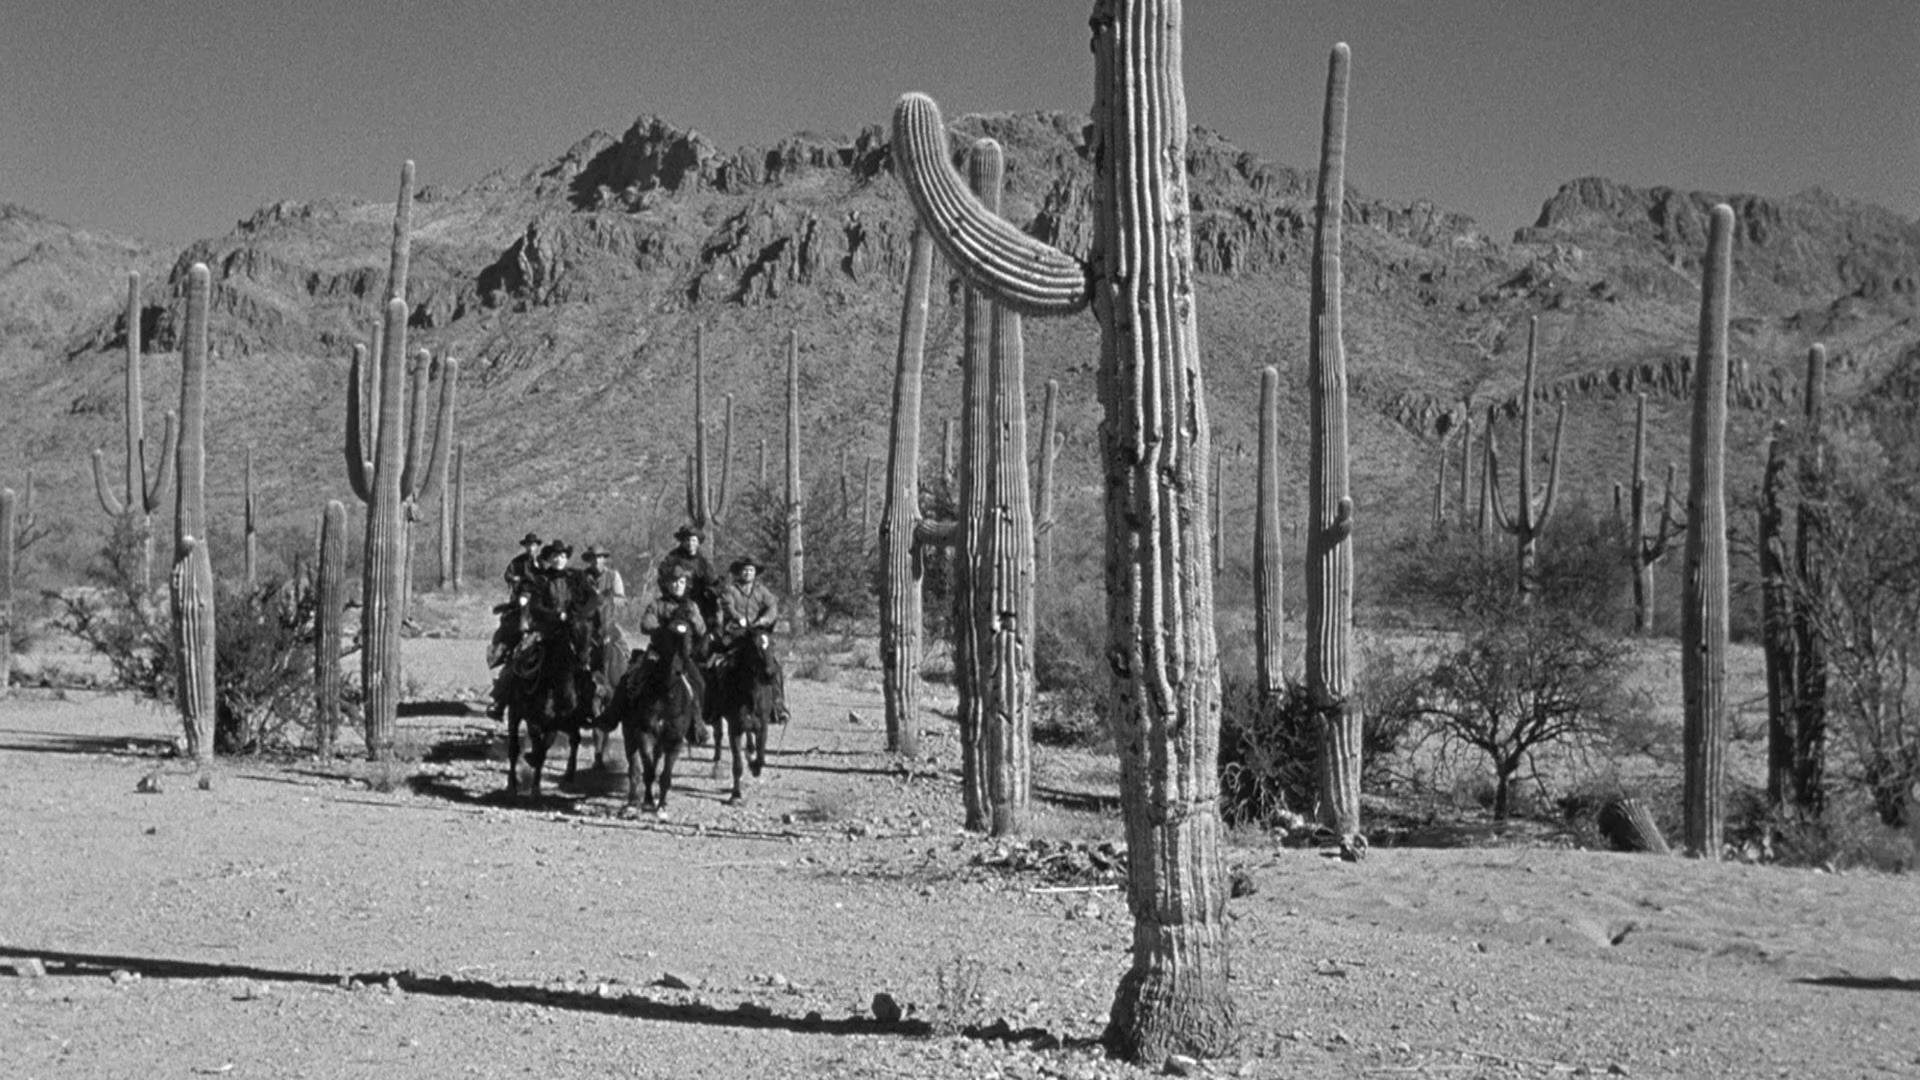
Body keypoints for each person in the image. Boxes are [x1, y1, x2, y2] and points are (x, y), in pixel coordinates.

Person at [634, 566, 711, 743]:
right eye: (674, 582)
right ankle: (629, 714)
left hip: (683, 657)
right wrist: (662, 628)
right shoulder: (657, 604)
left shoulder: (691, 606)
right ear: (667, 584)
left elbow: (702, 630)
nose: (678, 586)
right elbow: (645, 625)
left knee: (699, 683)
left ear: (686, 585)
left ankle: (696, 723)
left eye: (682, 582)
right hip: (658, 654)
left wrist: (693, 619)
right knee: (634, 677)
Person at [714, 554, 791, 724]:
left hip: (756, 634)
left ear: (755, 573)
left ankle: (778, 705)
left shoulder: (762, 591)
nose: (748, 573)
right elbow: (727, 606)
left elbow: (772, 606)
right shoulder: (730, 589)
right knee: (721, 664)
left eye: (751, 570)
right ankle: (717, 704)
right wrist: (738, 618)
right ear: (739, 572)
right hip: (736, 634)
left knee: (774, 666)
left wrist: (763, 621)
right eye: (745, 570)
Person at [655, 525, 720, 630]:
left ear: (698, 542)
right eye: (687, 540)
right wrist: (671, 594)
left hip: (699, 601)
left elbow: (712, 581)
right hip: (675, 600)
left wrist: (711, 591)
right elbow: (662, 578)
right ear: (682, 541)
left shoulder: (703, 561)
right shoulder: (672, 558)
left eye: (694, 540)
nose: (690, 543)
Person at [503, 532, 543, 597]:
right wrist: (513, 578)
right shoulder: (517, 561)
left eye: (533, 545)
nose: (531, 548)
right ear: (525, 546)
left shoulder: (541, 560)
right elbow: (508, 574)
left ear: (536, 546)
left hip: (538, 592)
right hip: (521, 592)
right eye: (528, 545)